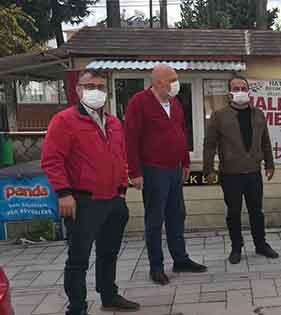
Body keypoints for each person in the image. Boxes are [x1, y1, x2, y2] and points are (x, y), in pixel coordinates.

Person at [41, 69, 140, 315]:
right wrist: (63, 193)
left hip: (113, 200)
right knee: (79, 259)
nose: (96, 90)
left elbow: (120, 158)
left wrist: (121, 191)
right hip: (83, 201)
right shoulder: (64, 121)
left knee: (109, 252)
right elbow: (52, 160)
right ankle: (77, 307)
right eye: (89, 85)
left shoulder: (114, 122)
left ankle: (109, 295)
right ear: (78, 89)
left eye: (100, 86)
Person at [125, 64, 206, 286]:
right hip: (152, 169)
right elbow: (130, 139)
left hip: (175, 168)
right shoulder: (139, 103)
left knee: (177, 215)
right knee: (155, 219)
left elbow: (181, 132)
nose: (176, 82)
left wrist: (186, 162)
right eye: (172, 79)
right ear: (158, 82)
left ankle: (180, 259)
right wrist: (134, 172)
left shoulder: (175, 103)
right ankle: (156, 266)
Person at [203, 76, 279, 264]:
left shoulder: (258, 114)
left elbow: (265, 142)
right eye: (236, 88)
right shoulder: (219, 116)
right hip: (230, 174)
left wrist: (270, 164)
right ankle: (236, 247)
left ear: (248, 90)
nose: (240, 91)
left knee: (257, 212)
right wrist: (208, 170)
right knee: (233, 212)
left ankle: (261, 245)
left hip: (253, 172)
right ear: (230, 92)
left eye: (243, 87)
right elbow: (209, 145)